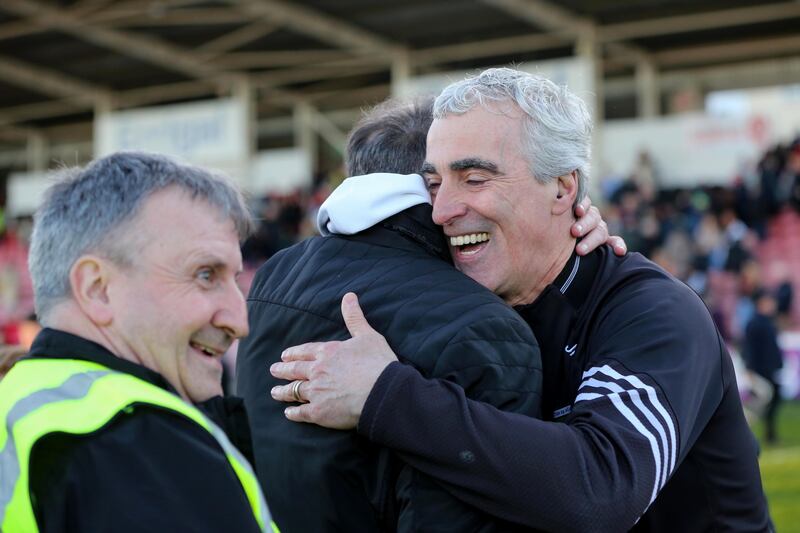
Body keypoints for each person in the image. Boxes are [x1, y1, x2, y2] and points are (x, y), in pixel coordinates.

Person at [270, 68, 770, 531]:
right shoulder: (467, 304)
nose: (442, 211)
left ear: (562, 189)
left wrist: (385, 396)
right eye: (434, 184)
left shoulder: (654, 313)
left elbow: (601, 490)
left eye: (475, 179)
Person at [237, 97, 620, 532]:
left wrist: (559, 232)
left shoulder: (276, 275)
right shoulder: (485, 330)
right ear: (431, 185)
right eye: (469, 178)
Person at [0, 152, 276, 532]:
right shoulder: (137, 443)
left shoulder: (23, 396)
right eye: (205, 275)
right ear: (97, 289)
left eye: (234, 279)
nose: (239, 321)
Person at [743, 288, 784, 444]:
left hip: (769, 368)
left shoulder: (768, 322)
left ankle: (769, 434)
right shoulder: (755, 323)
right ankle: (745, 426)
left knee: (772, 400)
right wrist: (750, 368)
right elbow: (749, 348)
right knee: (763, 399)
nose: (772, 305)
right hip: (759, 369)